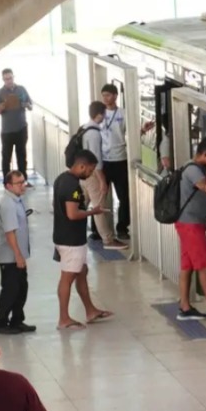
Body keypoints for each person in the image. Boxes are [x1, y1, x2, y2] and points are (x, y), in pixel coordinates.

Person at [53, 149, 114, 329]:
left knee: (82, 272)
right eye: (90, 169)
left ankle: (90, 310)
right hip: (71, 240)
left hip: (64, 236)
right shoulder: (72, 186)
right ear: (81, 166)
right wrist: (93, 212)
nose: (91, 173)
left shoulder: (61, 179)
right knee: (67, 277)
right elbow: (72, 214)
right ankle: (64, 318)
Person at [99, 83, 154, 240]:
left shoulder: (123, 113)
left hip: (120, 159)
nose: (105, 98)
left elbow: (130, 132)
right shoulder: (99, 114)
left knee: (124, 196)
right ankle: (98, 229)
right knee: (100, 195)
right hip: (104, 160)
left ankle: (122, 227)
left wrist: (143, 130)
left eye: (108, 95)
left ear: (115, 96)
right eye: (103, 95)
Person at [175, 137, 206, 321]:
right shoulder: (194, 170)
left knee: (187, 266)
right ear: (205, 154)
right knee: (205, 265)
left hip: (191, 223)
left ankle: (185, 307)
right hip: (190, 225)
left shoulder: (193, 168)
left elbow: (200, 201)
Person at [0, 171, 36, 335]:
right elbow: (10, 233)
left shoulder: (17, 200)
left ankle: (17, 320)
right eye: (19, 183)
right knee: (10, 289)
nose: (23, 185)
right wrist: (18, 255)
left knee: (21, 288)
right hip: (9, 256)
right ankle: (1, 322)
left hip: (18, 254)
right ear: (8, 186)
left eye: (23, 182)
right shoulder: (8, 204)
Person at [81, 101, 127, 250]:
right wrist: (102, 181)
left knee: (83, 204)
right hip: (92, 174)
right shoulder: (94, 133)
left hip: (83, 173)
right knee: (98, 207)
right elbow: (97, 160)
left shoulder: (84, 128)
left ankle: (74, 230)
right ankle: (108, 240)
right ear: (100, 114)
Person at [0, 68, 33, 185]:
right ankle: (7, 181)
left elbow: (31, 106)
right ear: (3, 79)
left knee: (22, 155)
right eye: (6, 79)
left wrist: (26, 104)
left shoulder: (21, 89)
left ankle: (23, 180)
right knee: (6, 157)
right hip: (7, 131)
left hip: (21, 128)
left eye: (10, 78)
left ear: (13, 77)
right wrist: (1, 107)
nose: (9, 81)